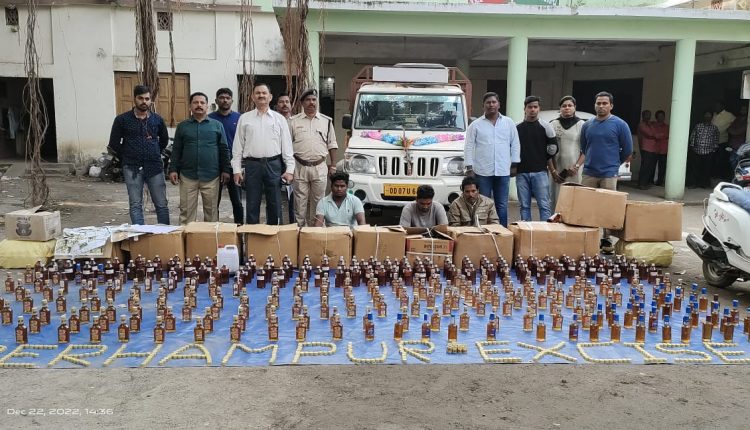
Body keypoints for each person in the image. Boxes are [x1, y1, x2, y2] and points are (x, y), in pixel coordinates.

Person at [572, 91, 633, 253]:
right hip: (589, 172)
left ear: (611, 105)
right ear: (594, 105)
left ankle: (606, 240)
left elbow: (627, 149)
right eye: (598, 103)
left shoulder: (620, 124)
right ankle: (588, 238)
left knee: (608, 208)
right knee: (587, 207)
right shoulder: (587, 125)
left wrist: (613, 164)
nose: (601, 106)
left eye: (605, 103)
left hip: (609, 173)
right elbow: (584, 147)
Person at [231, 83, 295, 225]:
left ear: (270, 97)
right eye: (258, 93)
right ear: (253, 97)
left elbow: (287, 147)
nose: (261, 95)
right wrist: (236, 170)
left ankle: (274, 234)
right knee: (252, 203)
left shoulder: (279, 119)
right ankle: (253, 235)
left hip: (274, 165)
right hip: (252, 165)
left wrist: (290, 170)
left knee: (275, 204)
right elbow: (237, 147)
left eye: (264, 93)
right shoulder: (245, 118)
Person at [108, 85, 170, 225]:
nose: (144, 102)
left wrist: (154, 152)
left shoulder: (157, 120)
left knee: (161, 204)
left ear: (151, 100)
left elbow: (164, 140)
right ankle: (140, 235)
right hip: (132, 168)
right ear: (134, 98)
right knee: (136, 204)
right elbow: (114, 144)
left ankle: (165, 234)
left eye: (147, 99)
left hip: (154, 166)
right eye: (140, 98)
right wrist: (127, 156)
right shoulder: (122, 120)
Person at [168, 92, 231, 224]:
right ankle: (186, 236)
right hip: (187, 176)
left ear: (207, 106)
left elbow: (224, 149)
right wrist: (173, 169)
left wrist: (226, 169)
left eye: (202, 103)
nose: (199, 105)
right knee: (186, 213)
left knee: (211, 213)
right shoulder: (183, 126)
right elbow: (177, 149)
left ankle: (209, 237)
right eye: (195, 102)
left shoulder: (216, 125)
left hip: (211, 176)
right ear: (190, 106)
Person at [464, 92, 520, 227]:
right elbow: (468, 146)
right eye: (488, 102)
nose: (491, 105)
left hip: (503, 171)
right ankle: (483, 231)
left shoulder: (508, 123)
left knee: (502, 204)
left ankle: (502, 231)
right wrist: (469, 167)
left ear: (499, 104)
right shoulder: (476, 125)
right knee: (483, 204)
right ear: (483, 106)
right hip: (482, 172)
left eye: (494, 102)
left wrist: (514, 164)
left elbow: (515, 144)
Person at [289, 89, 338, 226]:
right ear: (302, 103)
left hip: (320, 167)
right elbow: (287, 146)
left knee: (319, 203)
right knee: (300, 203)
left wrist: (333, 165)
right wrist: (288, 168)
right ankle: (299, 231)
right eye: (308, 100)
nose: (311, 102)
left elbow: (332, 144)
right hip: (299, 166)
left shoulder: (326, 121)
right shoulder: (293, 122)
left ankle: (315, 232)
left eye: (314, 100)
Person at [516, 96, 557, 221]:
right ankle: (526, 230)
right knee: (524, 206)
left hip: (540, 172)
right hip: (521, 172)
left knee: (544, 205)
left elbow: (554, 148)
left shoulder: (546, 126)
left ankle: (545, 230)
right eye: (530, 107)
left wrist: (543, 159)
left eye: (535, 107)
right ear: (525, 109)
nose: (532, 109)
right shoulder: (517, 128)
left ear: (539, 108)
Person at [208, 88, 243, 224]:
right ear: (216, 101)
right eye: (221, 98)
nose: (225, 100)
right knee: (213, 203)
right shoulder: (209, 119)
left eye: (227, 98)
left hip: (234, 165)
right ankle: (213, 229)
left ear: (232, 101)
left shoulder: (239, 119)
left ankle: (239, 230)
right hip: (215, 165)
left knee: (237, 201)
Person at [548, 96, 585, 209]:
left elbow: (586, 149)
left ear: (575, 107)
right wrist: (553, 171)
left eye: (570, 105)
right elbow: (548, 149)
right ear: (560, 108)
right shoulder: (553, 124)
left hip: (574, 169)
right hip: (556, 169)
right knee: (555, 198)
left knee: (574, 199)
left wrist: (576, 166)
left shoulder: (581, 125)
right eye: (564, 106)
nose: (567, 108)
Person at [686, 111, 720, 189]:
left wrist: (713, 150)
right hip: (697, 151)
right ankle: (694, 183)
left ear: (711, 118)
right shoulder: (698, 126)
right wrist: (692, 147)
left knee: (706, 169)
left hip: (708, 152)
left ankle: (703, 184)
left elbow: (716, 139)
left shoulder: (714, 128)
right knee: (695, 169)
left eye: (709, 116)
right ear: (703, 117)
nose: (707, 117)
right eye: (706, 115)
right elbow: (693, 136)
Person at [275, 92, 295, 223]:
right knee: (275, 197)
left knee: (293, 197)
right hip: (275, 162)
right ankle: (278, 224)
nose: (284, 104)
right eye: (281, 102)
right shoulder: (272, 120)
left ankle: (293, 224)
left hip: (292, 164)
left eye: (287, 102)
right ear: (277, 106)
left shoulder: (296, 122)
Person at [711, 101, 736, 180]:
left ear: (722, 106)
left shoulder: (729, 115)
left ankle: (722, 176)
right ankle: (714, 176)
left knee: (721, 159)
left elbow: (735, 123)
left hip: (722, 141)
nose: (716, 107)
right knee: (713, 159)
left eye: (717, 106)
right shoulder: (714, 114)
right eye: (715, 106)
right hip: (711, 141)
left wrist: (730, 130)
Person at [636, 109, 657, 190]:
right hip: (645, 148)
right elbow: (650, 134)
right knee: (645, 167)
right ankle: (641, 184)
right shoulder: (642, 125)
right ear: (643, 116)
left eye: (649, 115)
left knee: (649, 167)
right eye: (647, 115)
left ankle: (645, 183)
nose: (648, 117)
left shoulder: (650, 124)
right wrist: (656, 134)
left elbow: (654, 132)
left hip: (652, 148)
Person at [728, 104, 748, 169]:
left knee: (740, 164)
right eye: (742, 109)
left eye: (744, 109)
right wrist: (734, 131)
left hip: (742, 147)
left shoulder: (747, 120)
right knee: (732, 162)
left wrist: (734, 131)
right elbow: (729, 129)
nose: (743, 111)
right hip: (733, 145)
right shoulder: (737, 118)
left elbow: (738, 131)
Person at [652, 110, 669, 186]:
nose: (661, 118)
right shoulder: (653, 125)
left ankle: (660, 182)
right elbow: (653, 135)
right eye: (659, 116)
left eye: (662, 116)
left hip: (663, 149)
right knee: (652, 166)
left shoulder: (667, 127)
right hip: (654, 148)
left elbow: (667, 135)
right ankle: (651, 181)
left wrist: (659, 135)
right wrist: (660, 135)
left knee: (662, 167)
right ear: (656, 117)